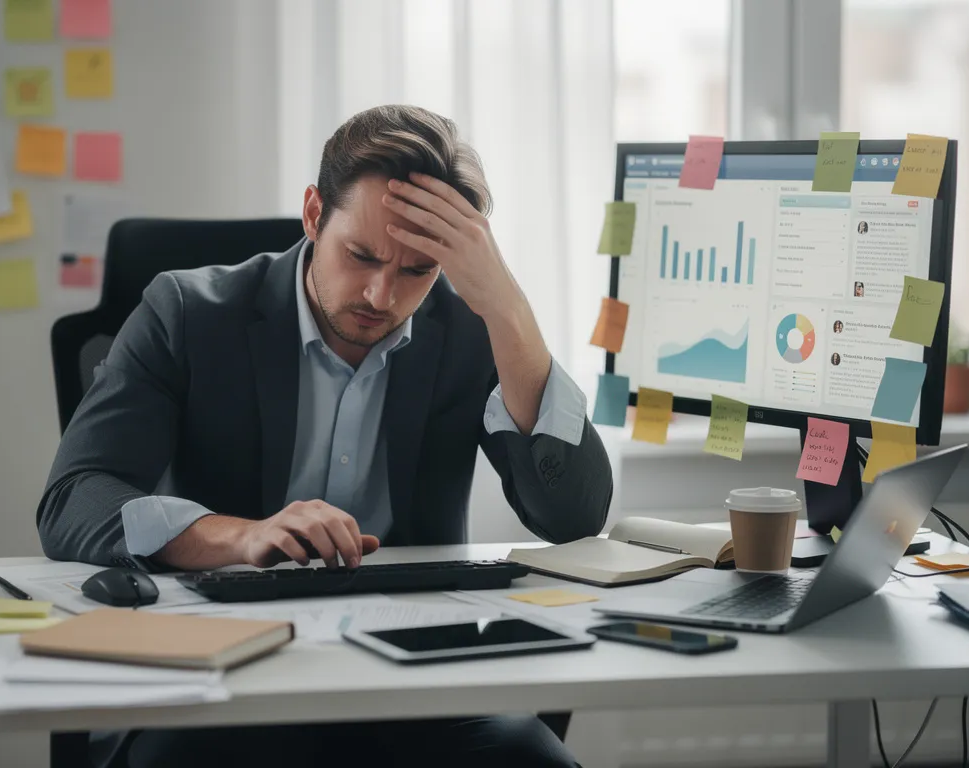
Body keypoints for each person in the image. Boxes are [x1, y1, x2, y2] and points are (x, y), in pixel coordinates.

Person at [37, 105, 612, 768]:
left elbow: (572, 516)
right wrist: (237, 535)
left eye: (417, 270)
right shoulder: (188, 314)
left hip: (413, 676)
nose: (380, 293)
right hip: (227, 668)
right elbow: (73, 497)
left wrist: (509, 310)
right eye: (360, 255)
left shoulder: (470, 334)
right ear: (313, 214)